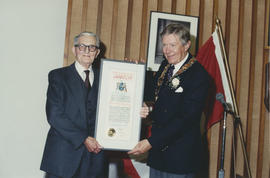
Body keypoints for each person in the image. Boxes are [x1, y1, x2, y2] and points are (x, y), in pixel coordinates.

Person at [128, 24, 210, 178]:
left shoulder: (199, 76)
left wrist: (151, 142)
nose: (167, 50)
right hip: (159, 155)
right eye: (164, 45)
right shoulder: (166, 65)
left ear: (187, 45)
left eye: (173, 45)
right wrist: (136, 73)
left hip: (180, 158)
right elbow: (156, 95)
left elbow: (185, 120)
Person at [40, 32, 107, 178]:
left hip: (94, 159)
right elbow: (54, 115)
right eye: (82, 46)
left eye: (92, 47)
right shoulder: (58, 76)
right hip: (62, 158)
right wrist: (83, 138)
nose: (87, 51)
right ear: (74, 50)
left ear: (97, 52)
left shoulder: (107, 77)